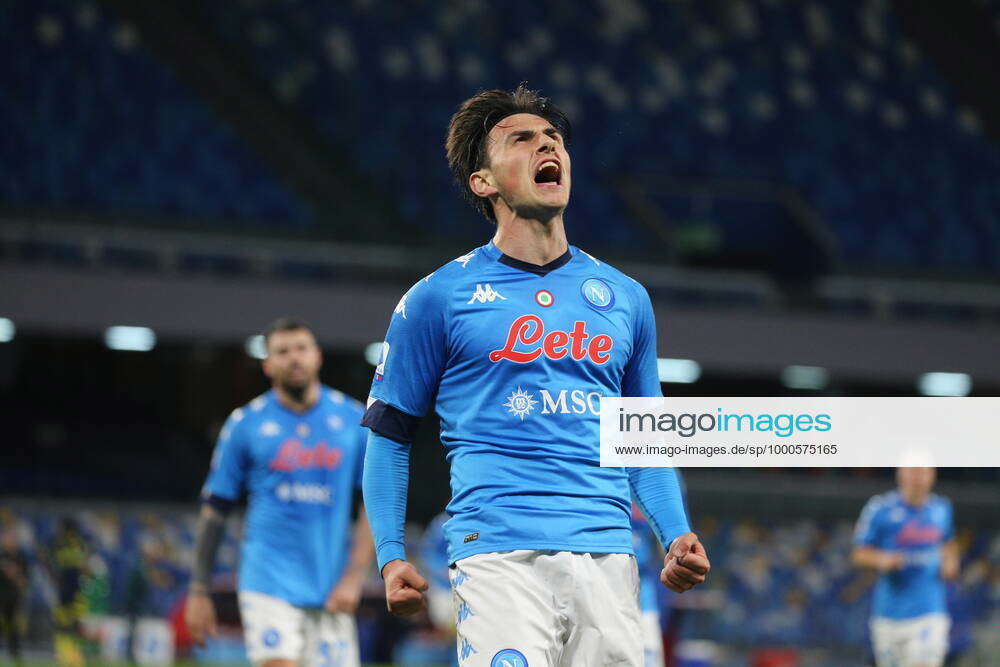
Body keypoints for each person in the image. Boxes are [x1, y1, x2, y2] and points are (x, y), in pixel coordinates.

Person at [362, 86, 710, 666]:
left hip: (607, 555)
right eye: (520, 139)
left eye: (552, 138)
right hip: (498, 554)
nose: (546, 144)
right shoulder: (437, 298)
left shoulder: (627, 298)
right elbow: (389, 432)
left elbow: (647, 437)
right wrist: (391, 555)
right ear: (484, 182)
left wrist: (675, 533)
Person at [184, 318, 374, 667]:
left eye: (301, 349)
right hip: (266, 579)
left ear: (317, 356)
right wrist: (198, 590)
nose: (294, 358)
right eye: (282, 352)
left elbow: (374, 503)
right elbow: (215, 508)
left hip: (330, 586)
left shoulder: (354, 420)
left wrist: (353, 578)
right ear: (268, 365)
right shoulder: (245, 423)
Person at [852, 467, 959, 667]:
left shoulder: (941, 509)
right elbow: (859, 553)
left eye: (923, 472)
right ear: (900, 474)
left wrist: (950, 562)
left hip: (928, 611)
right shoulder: (880, 508)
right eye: (912, 471)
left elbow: (948, 543)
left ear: (932, 476)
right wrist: (883, 560)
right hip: (888, 614)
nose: (917, 478)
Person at [0, 527, 28, 665]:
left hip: (14, 598)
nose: (9, 541)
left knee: (13, 627)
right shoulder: (1, 556)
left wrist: (15, 574)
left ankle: (15, 653)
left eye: (11, 538)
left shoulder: (21, 557)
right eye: (6, 538)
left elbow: (25, 581)